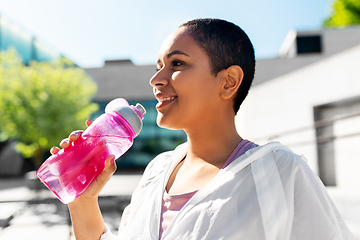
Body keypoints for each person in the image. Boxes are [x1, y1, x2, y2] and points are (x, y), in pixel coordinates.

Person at [51, 18, 355, 240]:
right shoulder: (157, 171)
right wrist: (83, 202)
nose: (157, 78)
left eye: (177, 64)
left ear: (228, 82)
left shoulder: (279, 171)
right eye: (159, 65)